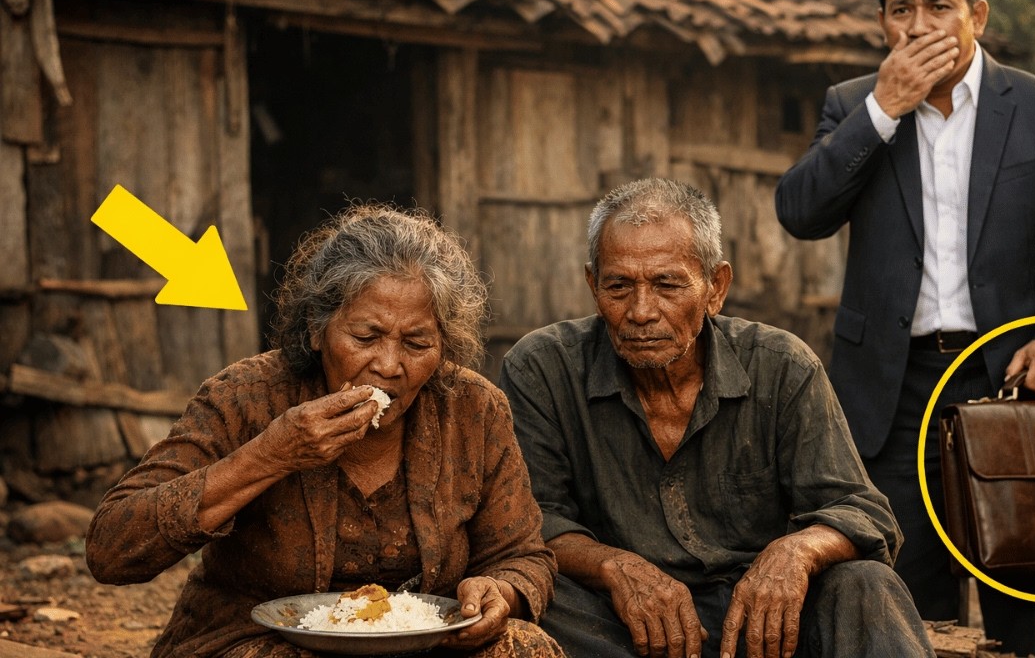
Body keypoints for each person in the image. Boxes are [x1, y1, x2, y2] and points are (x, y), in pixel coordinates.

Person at [774, 0, 1035, 657]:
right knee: (903, 609)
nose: (920, 24)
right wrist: (884, 109)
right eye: (902, 9)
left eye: (940, 6)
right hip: (892, 397)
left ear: (978, 14)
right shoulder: (853, 104)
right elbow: (800, 212)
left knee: (1028, 609)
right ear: (882, 23)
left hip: (1017, 389)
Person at [85, 204, 564, 658]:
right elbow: (110, 548)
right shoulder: (245, 396)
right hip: (257, 640)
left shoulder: (473, 408)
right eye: (365, 338)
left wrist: (500, 593)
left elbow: (523, 555)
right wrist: (270, 455)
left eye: (418, 343)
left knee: (527, 648)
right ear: (317, 330)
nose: (389, 365)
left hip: (426, 647)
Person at [499, 178, 936, 658]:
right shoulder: (542, 367)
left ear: (716, 287)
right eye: (618, 286)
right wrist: (613, 567)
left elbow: (862, 511)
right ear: (592, 285)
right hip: (626, 624)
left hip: (763, 620)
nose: (641, 312)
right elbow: (529, 520)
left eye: (667, 285)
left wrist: (795, 552)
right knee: (531, 602)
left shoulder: (781, 365)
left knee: (865, 584)